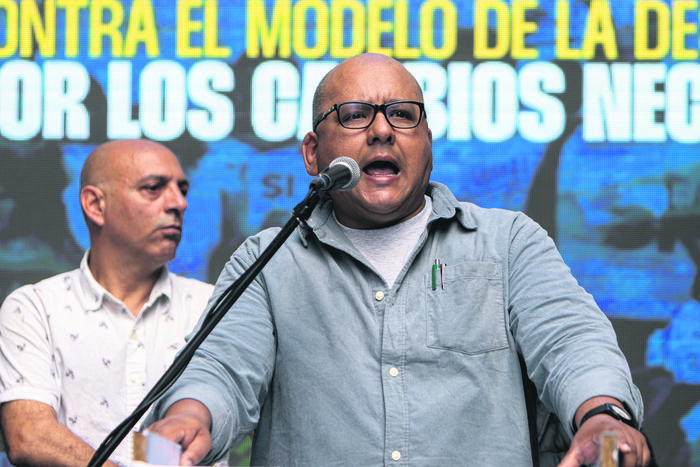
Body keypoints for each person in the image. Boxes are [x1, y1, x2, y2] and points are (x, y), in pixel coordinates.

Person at [146, 53, 653, 466]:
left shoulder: (507, 241)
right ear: (312, 153)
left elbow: (570, 340)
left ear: (426, 143)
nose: (383, 131)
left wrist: (602, 414)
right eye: (354, 114)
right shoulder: (267, 260)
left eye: (403, 115)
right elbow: (221, 366)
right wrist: (187, 416)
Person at [0, 139, 214, 467]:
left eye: (181, 189)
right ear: (96, 205)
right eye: (154, 188)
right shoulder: (34, 308)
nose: (179, 203)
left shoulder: (214, 306)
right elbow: (29, 435)